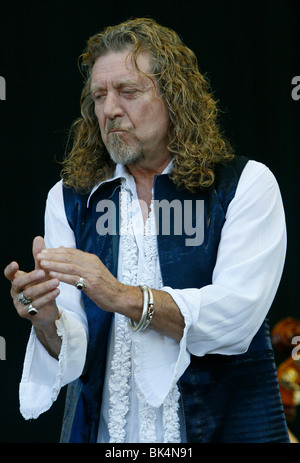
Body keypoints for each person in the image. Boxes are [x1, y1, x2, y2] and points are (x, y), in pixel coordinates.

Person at [4, 18, 290, 443]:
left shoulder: (245, 184)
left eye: (128, 92)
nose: (109, 109)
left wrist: (120, 295)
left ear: (175, 97)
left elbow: (235, 317)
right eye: (99, 96)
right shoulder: (70, 199)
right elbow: (74, 345)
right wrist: (46, 320)